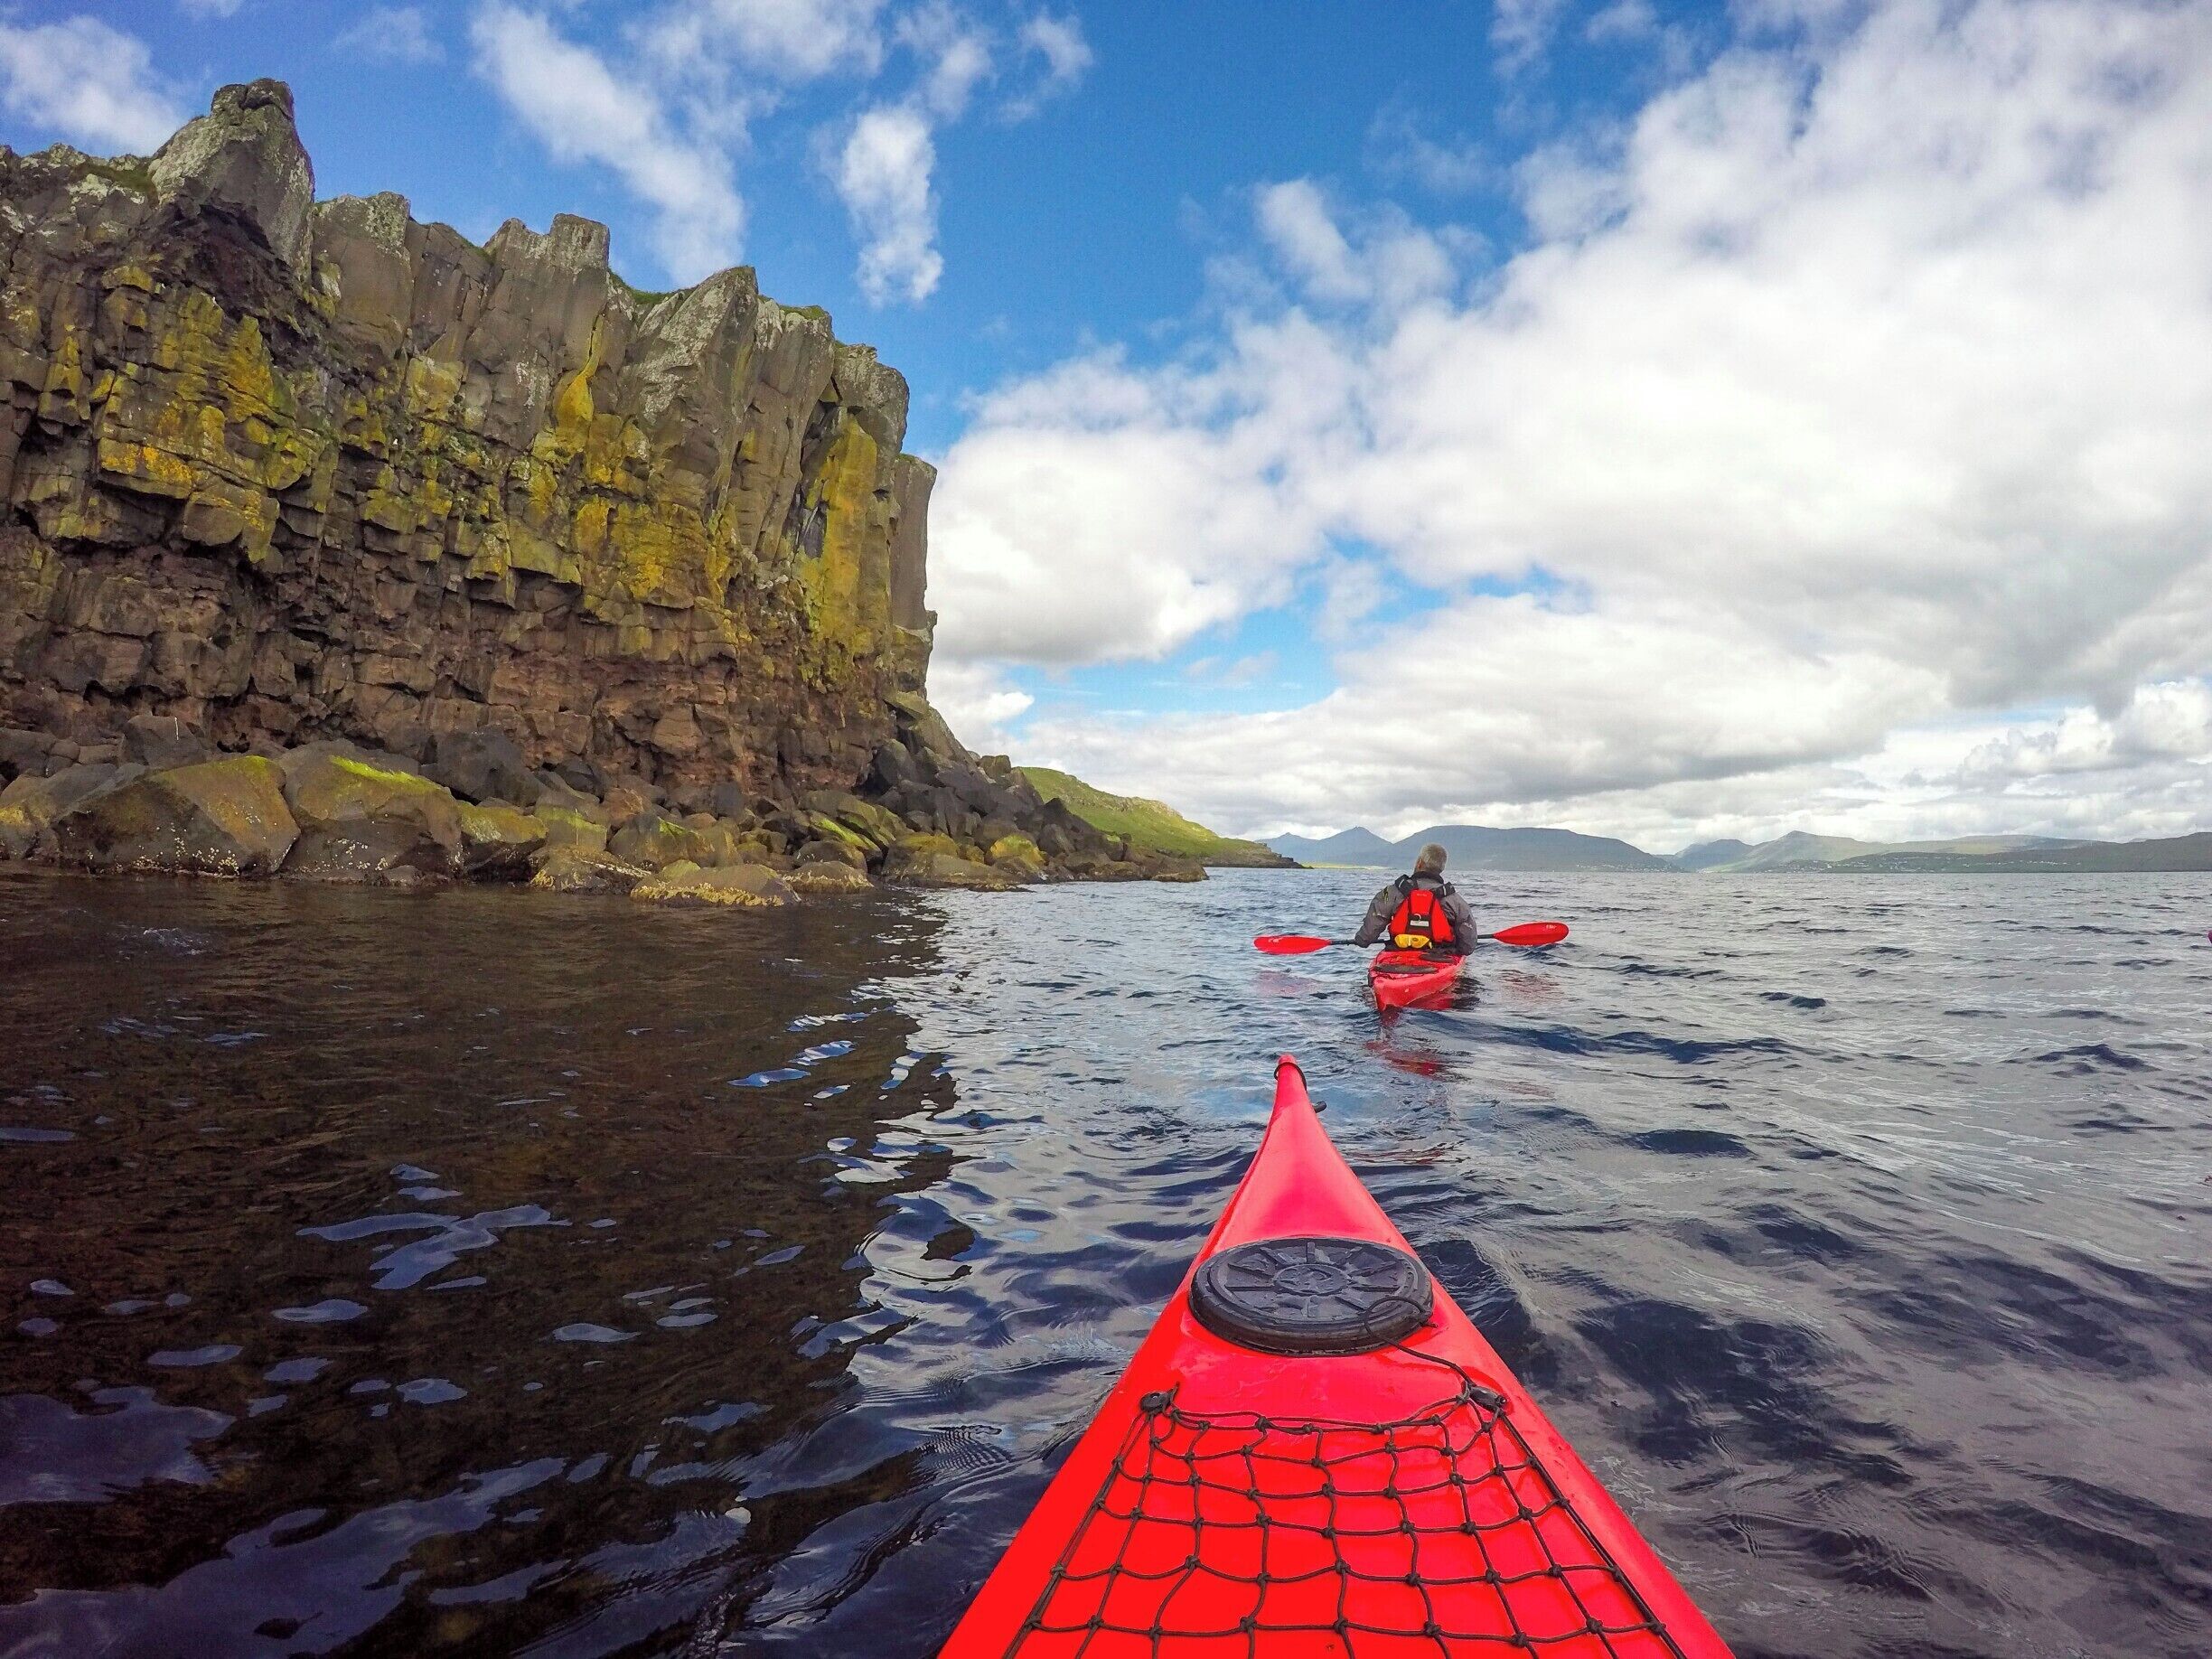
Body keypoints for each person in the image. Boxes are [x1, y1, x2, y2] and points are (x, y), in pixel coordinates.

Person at [1354, 843, 1477, 957]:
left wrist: (1360, 940)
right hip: (1440, 957)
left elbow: (1367, 937)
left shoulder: (1390, 893)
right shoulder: (1456, 901)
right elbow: (1468, 947)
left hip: (1397, 956)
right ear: (1441, 868)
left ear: (1419, 862)